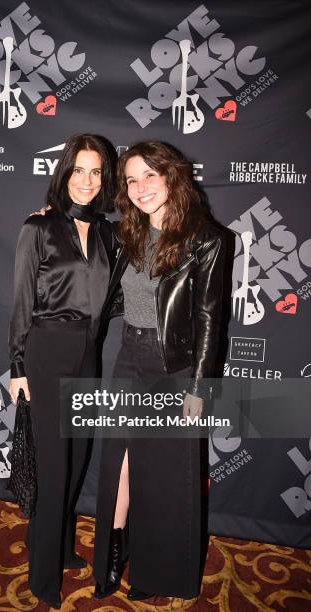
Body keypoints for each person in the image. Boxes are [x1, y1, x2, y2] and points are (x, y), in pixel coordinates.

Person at [93, 141, 226, 605]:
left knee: (170, 476)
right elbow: (79, 231)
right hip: (128, 353)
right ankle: (112, 549)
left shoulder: (206, 239)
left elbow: (211, 320)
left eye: (150, 175)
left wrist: (198, 389)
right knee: (121, 460)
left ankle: (162, 572)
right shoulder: (124, 232)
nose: (141, 187)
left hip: (174, 366)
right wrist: (50, 214)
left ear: (172, 177)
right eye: (132, 179)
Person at [8, 133, 117, 609]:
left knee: (76, 463)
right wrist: (16, 366)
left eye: (96, 172)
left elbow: (115, 299)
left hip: (88, 354)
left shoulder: (112, 234)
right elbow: (20, 303)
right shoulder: (38, 228)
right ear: (64, 173)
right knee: (54, 470)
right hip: (46, 353)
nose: (86, 181)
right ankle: (42, 578)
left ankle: (53, 542)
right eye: (78, 170)